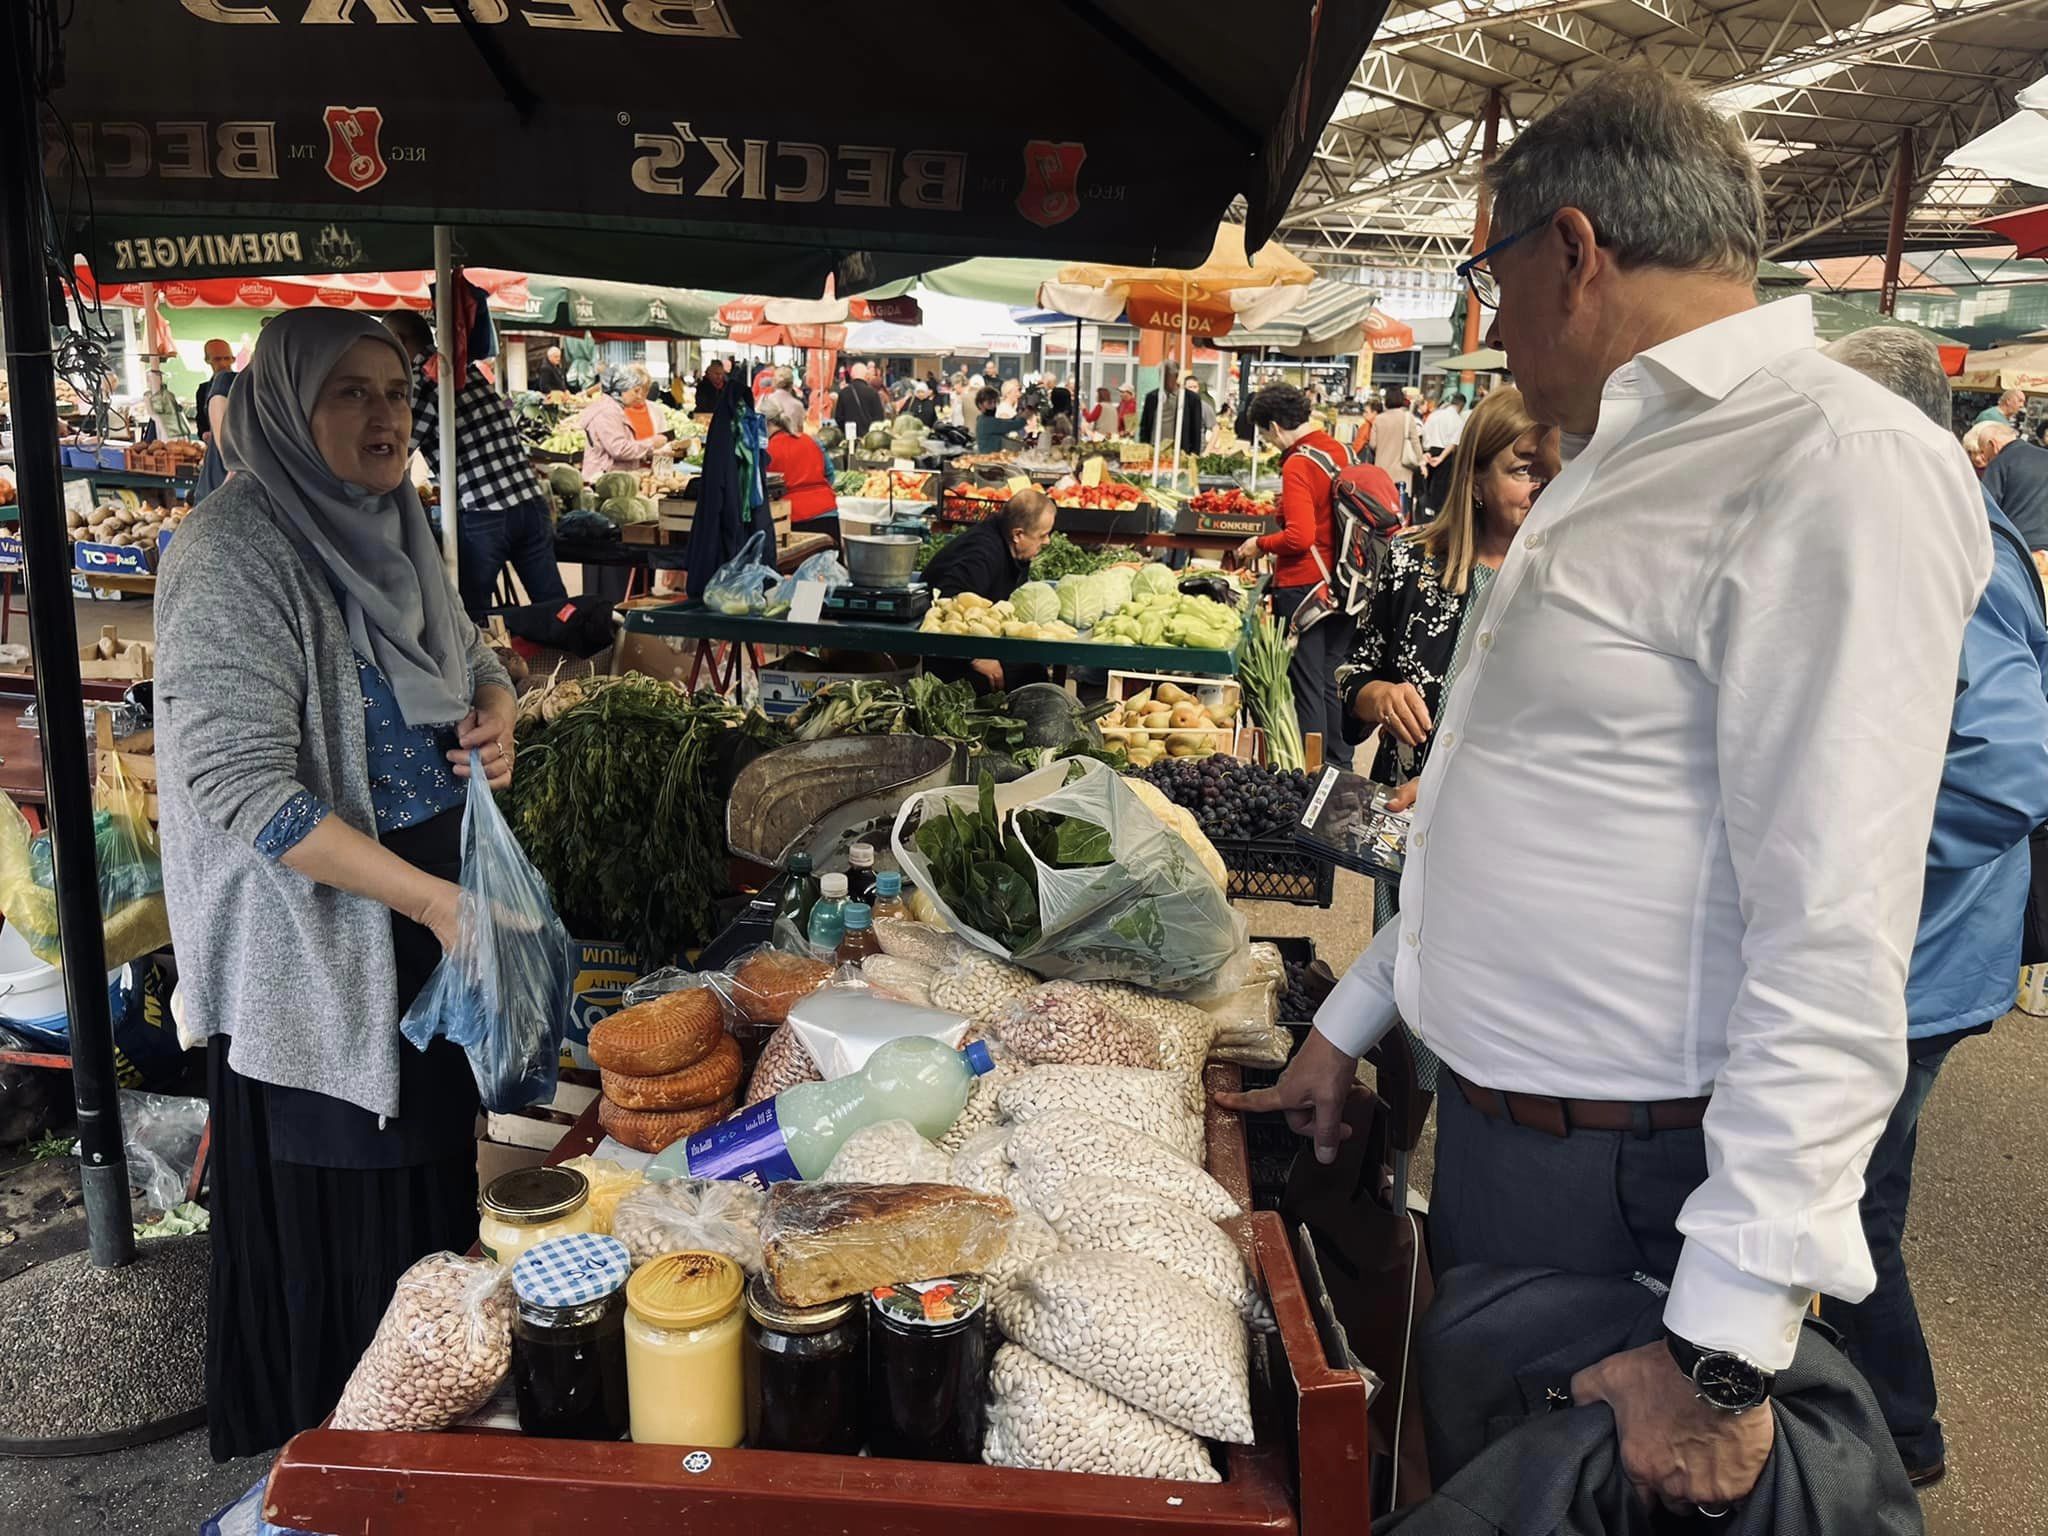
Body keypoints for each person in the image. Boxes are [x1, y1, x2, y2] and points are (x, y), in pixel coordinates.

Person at [1219, 67, 1989, 1513]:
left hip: (1636, 1185)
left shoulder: (1831, 461)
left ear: (1571, 249)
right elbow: (1535, 817)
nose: (1487, 325)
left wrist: (1721, 1353)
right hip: (1514, 1141)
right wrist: (1351, 1022)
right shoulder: (1623, 454)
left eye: (1489, 278)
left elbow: (1834, 931)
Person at [154, 309, 517, 1461]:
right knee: (349, 1204)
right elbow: (237, 783)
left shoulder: (394, 523)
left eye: (397, 391)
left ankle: (427, 1435)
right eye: (349, 393)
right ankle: (345, 1462)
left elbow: (470, 654)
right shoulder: (232, 551)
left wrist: (497, 711)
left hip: (424, 918)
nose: (385, 416)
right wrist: (428, 902)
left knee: (427, 1191)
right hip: (316, 947)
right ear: (281, 406)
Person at [1817, 325, 2048, 1487]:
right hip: (1912, 948)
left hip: (1923, 954)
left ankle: (1899, 1432)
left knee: (1851, 1202)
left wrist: (1852, 863)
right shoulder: (1922, 524)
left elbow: (2006, 764)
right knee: (1849, 1193)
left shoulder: (1965, 549)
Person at [1338, 383, 1551, 937]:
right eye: (1522, 470)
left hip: (1510, 839)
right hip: (1405, 826)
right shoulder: (1412, 562)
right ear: (1476, 480)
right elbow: (1355, 673)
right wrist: (1378, 696)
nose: (1541, 485)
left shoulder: (1565, 581)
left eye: (1550, 471)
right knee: (1398, 962)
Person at [383, 312, 569, 621]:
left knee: (473, 617)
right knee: (555, 606)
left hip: (485, 512)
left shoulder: (421, 382)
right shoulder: (466, 370)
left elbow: (396, 452)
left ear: (399, 341)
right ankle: (575, 646)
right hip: (530, 503)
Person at [1230, 383, 1367, 770]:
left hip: (1306, 588)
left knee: (1306, 683)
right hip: (1347, 584)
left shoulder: (1298, 463)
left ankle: (1311, 772)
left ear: (1274, 426)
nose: (1268, 442)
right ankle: (1340, 766)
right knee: (1329, 680)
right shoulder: (1343, 451)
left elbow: (1300, 537)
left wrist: (1260, 544)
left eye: (1265, 435)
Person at [920, 488, 1055, 693]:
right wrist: (978, 657)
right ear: (1017, 534)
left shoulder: (1008, 544)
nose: (1047, 541)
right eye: (1042, 535)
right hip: (947, 652)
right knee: (1026, 676)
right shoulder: (982, 555)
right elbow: (949, 603)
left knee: (1034, 668)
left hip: (981, 637)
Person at [576, 362, 667, 479]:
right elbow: (619, 449)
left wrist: (649, 453)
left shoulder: (613, 408)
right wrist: (651, 443)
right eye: (636, 391)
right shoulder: (608, 412)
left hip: (611, 477)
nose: (639, 396)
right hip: (605, 479)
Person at [763, 394, 836, 536]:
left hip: (795, 517)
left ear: (764, 423)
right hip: (828, 512)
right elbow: (830, 474)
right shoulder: (812, 440)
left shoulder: (767, 451)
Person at [1979, 429, 2048, 551]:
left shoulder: (2000, 462)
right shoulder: (2045, 456)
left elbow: (1984, 508)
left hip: (2017, 547)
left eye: (1984, 452)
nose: (1984, 458)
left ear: (1992, 445)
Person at [191, 338, 240, 504]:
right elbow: (201, 421)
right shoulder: (204, 389)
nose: (224, 363)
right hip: (217, 458)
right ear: (207, 360)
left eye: (227, 358)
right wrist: (205, 433)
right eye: (218, 359)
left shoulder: (240, 384)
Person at [1369, 387, 1424, 513]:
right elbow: (1415, 443)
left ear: (1386, 401)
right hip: (1403, 469)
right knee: (1402, 505)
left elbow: (1373, 444)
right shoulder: (1408, 418)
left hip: (1382, 469)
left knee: (1383, 504)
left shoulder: (1379, 419)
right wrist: (1421, 462)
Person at [1140, 363, 1205, 456]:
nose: (1163, 379)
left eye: (1167, 376)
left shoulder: (1191, 399)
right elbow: (1144, 426)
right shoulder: (1151, 397)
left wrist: (1194, 454)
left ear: (1176, 376)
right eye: (1161, 375)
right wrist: (1144, 447)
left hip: (1179, 450)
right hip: (1154, 449)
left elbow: (1196, 428)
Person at [1420, 389, 1467, 513]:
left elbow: (1425, 433)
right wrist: (1441, 457)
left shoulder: (1435, 415)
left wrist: (1426, 452)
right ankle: (1438, 514)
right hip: (1446, 455)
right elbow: (1454, 443)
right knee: (1442, 489)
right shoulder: (1458, 420)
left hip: (1430, 452)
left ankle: (1426, 511)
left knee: (1428, 485)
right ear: (1461, 405)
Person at [834, 362, 888, 439]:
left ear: (851, 375)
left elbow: (839, 417)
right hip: (869, 438)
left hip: (849, 437)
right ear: (866, 376)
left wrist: (846, 429)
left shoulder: (843, 393)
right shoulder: (872, 393)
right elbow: (879, 418)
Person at [974, 386, 1029, 454]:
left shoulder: (982, 419)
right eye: (989, 403)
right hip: (990, 458)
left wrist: (1019, 414)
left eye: (995, 402)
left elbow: (1010, 422)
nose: (993, 406)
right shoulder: (987, 422)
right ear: (980, 405)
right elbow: (1016, 425)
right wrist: (1030, 408)